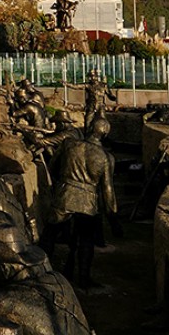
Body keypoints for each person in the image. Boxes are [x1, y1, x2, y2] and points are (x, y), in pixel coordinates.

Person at [50, 116, 120, 288]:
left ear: (89, 128)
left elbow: (53, 166)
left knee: (50, 234)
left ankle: (43, 272)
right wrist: (113, 219)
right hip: (88, 201)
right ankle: (83, 278)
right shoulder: (106, 158)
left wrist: (63, 182)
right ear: (105, 134)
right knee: (86, 240)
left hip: (65, 194)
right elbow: (108, 191)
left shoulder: (69, 144)